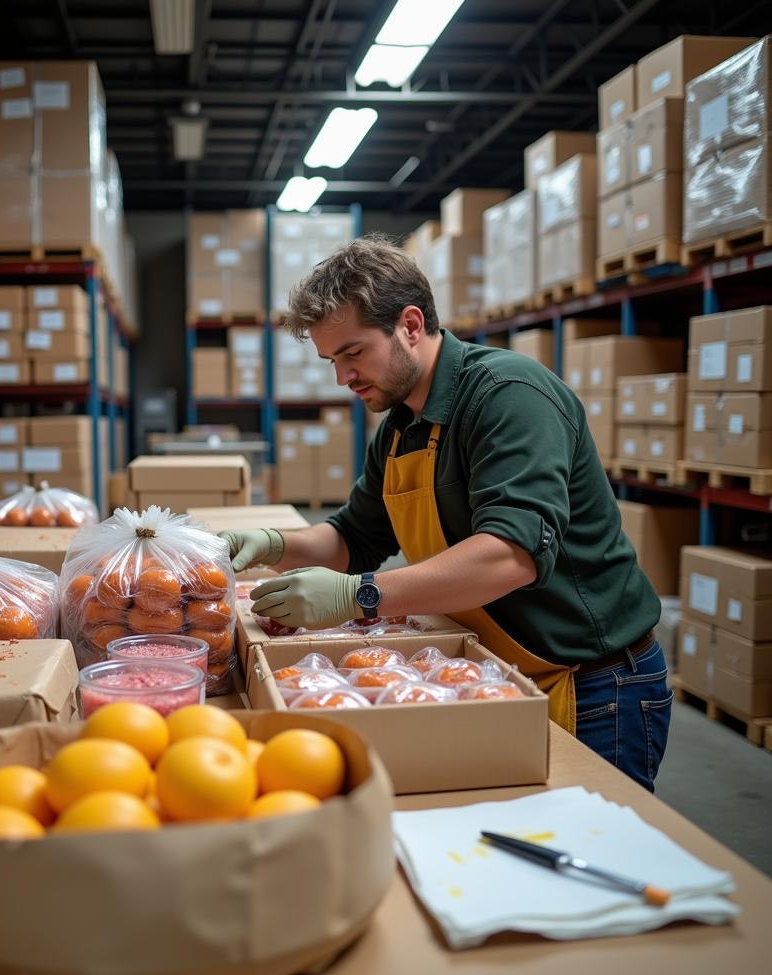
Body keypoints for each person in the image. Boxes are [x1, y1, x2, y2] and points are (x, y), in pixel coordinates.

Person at [220, 235, 672, 791]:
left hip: (593, 684)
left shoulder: (508, 396)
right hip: (498, 670)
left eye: (353, 353)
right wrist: (273, 543)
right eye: (331, 360)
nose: (342, 378)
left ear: (410, 324)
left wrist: (357, 596)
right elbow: (353, 535)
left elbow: (511, 556)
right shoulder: (401, 426)